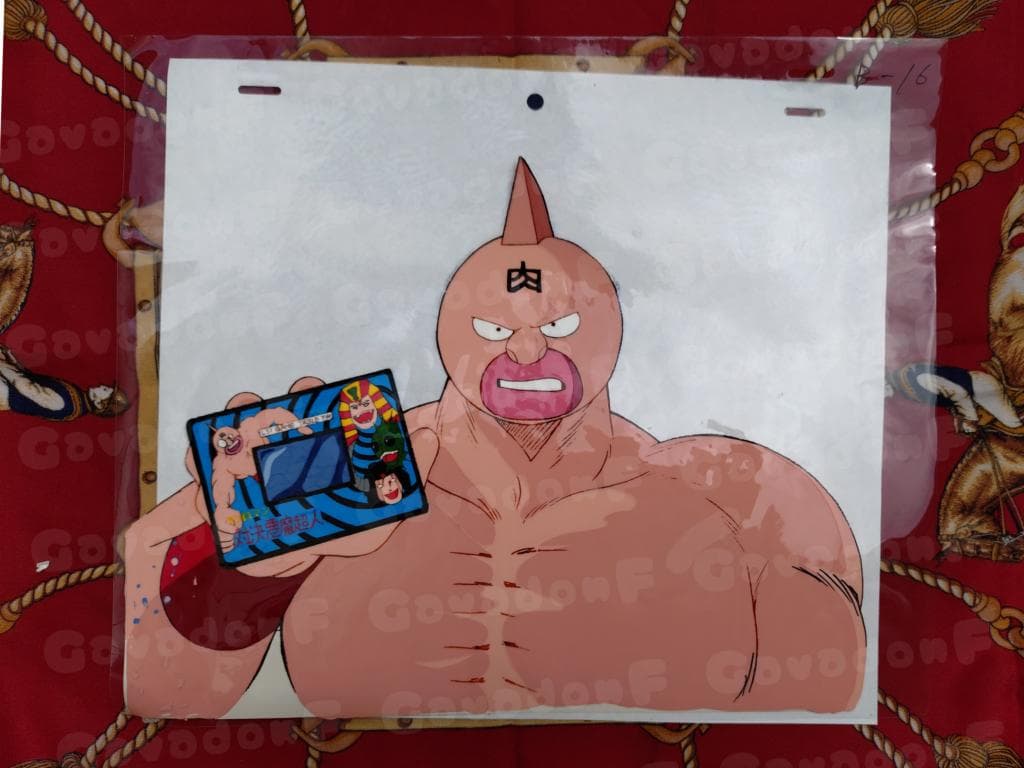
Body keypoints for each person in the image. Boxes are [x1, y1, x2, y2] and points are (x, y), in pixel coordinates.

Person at [124, 159, 864, 719]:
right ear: (452, 329)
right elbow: (163, 692)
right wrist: (250, 570)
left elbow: (827, 708)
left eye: (560, 326)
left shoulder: (732, 493)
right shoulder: (342, 469)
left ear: (612, 323)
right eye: (492, 328)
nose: (527, 352)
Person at [0, 343, 128, 420]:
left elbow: (25, 386)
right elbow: (32, 379)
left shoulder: (66, 404)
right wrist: (12, 361)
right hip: (8, 386)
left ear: (99, 404)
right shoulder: (76, 400)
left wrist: (3, 364)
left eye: (106, 390)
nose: (103, 386)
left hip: (6, 392)